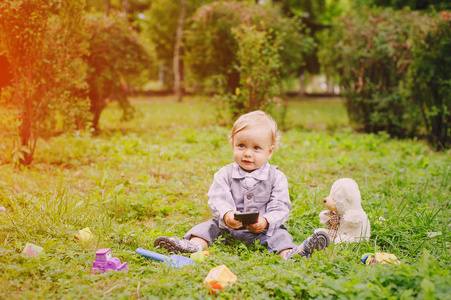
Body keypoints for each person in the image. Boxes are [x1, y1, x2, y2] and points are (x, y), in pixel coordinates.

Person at [155, 110, 329, 259]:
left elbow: (280, 206)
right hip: (228, 230)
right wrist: (227, 214)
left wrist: (265, 221)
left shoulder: (276, 177)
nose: (247, 153)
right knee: (208, 227)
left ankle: (290, 254)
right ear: (232, 145)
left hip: (262, 232)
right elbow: (217, 198)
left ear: (269, 152)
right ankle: (193, 246)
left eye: (256, 148)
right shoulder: (224, 174)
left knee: (281, 235)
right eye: (241, 145)